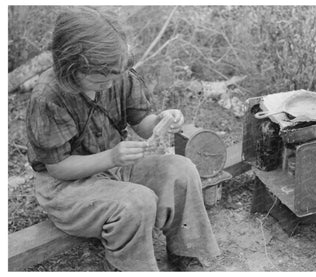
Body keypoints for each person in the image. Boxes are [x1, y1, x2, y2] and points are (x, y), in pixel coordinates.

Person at [26, 6, 220, 271]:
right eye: (101, 77)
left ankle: (185, 250)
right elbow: (58, 167)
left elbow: (143, 124)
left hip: (115, 169)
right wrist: (111, 156)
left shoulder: (117, 74)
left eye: (114, 75)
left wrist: (164, 120)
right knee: (137, 202)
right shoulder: (49, 97)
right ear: (72, 67)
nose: (110, 82)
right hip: (67, 188)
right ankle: (125, 267)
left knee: (182, 169)